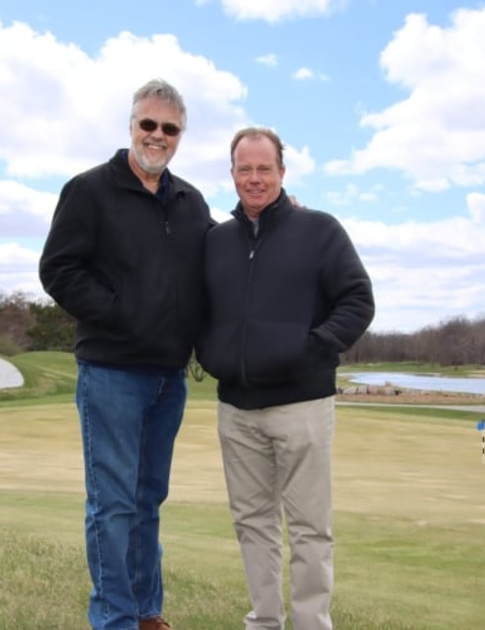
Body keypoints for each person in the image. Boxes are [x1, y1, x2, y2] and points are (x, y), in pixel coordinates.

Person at [38, 79, 213, 630]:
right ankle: (114, 618)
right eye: (148, 124)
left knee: (147, 501)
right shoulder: (89, 190)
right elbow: (58, 269)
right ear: (131, 125)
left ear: (180, 136)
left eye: (169, 129)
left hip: (168, 377)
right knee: (112, 505)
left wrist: (278, 217)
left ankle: (145, 611)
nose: (157, 136)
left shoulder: (190, 202)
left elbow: (218, 262)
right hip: (112, 372)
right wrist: (119, 312)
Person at [197, 127, 375, 630]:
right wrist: (211, 355)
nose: (255, 179)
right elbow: (200, 311)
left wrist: (311, 348)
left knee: (309, 529)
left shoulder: (318, 230)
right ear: (232, 173)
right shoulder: (216, 241)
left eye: (264, 168)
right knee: (252, 524)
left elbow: (358, 300)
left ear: (282, 171)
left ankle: (311, 623)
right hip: (236, 408)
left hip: (302, 405)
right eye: (245, 169)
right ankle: (265, 621)